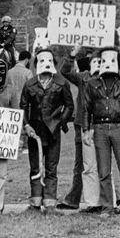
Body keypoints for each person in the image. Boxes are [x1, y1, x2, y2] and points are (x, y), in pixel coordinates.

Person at [82, 47, 120, 218]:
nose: (107, 63)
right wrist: (86, 129)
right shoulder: (92, 84)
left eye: (112, 59)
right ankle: (107, 207)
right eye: (104, 60)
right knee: (103, 171)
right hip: (100, 129)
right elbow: (87, 108)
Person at [20, 48, 74, 213]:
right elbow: (23, 106)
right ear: (36, 64)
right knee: (35, 167)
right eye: (41, 60)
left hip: (53, 132)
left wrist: (60, 122)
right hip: (35, 132)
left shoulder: (61, 83)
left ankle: (50, 203)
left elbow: (69, 106)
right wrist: (27, 125)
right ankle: (35, 203)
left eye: (48, 60)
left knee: (51, 167)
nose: (45, 64)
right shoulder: (30, 84)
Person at [58, 47, 103, 212]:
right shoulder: (83, 77)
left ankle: (103, 199)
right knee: (80, 164)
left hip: (99, 124)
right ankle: (73, 199)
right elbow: (65, 71)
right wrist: (72, 54)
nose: (97, 64)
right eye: (94, 62)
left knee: (101, 163)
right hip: (81, 124)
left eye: (99, 61)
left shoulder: (107, 78)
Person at [0, 59, 18, 213]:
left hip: (4, 136)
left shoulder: (11, 90)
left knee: (2, 174)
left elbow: (16, 112)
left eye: (2, 71)